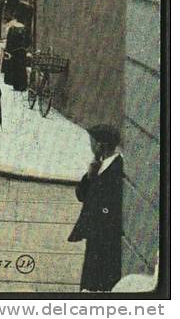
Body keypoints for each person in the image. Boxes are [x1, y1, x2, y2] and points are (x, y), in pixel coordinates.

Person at [69, 124, 124, 292]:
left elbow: (111, 207)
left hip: (105, 238)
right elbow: (81, 195)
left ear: (102, 145)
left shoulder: (117, 169)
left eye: (92, 142)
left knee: (98, 282)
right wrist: (89, 176)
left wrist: (101, 214)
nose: (90, 145)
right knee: (90, 280)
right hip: (95, 236)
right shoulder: (99, 165)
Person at [2, 10, 30, 93]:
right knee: (22, 67)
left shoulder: (12, 28)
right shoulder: (25, 29)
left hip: (14, 51)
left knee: (15, 67)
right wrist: (25, 47)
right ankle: (22, 85)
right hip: (22, 51)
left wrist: (8, 51)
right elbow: (28, 41)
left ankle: (16, 85)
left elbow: (9, 41)